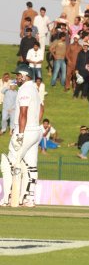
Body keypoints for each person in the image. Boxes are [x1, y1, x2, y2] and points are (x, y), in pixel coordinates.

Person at [0, 64, 43, 207]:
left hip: (25, 131)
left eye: (18, 75)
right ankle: (29, 199)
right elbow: (42, 108)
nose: (16, 78)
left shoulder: (24, 89)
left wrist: (20, 133)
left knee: (9, 163)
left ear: (24, 76)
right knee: (31, 166)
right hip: (36, 131)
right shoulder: (34, 89)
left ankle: (8, 198)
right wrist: (35, 123)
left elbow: (23, 112)